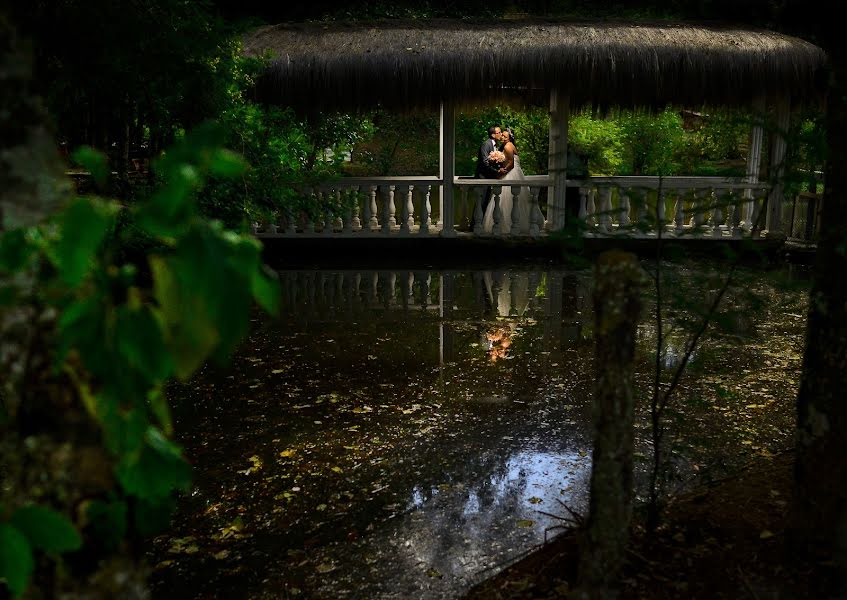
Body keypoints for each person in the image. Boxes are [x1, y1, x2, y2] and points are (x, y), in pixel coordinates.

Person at [482, 127, 531, 234]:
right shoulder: (505, 145)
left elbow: (511, 164)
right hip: (514, 172)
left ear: (509, 138)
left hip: (512, 173)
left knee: (508, 198)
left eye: (505, 136)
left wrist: (502, 172)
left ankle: (509, 224)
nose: (502, 137)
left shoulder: (508, 146)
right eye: (502, 135)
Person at [473, 125, 503, 230]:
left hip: (489, 178)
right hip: (482, 178)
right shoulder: (486, 144)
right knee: (480, 203)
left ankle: (482, 226)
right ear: (493, 134)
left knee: (486, 202)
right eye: (499, 132)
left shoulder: (496, 145)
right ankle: (474, 226)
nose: (501, 134)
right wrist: (496, 172)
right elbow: (485, 162)